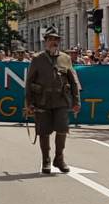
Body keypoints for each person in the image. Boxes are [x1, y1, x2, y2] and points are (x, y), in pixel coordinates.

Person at [24, 28, 81, 174]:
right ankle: (46, 160)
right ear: (45, 42)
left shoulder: (65, 58)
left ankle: (59, 159)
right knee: (44, 132)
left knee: (62, 129)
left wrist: (76, 101)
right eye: (50, 39)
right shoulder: (37, 59)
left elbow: (73, 81)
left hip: (61, 100)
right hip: (42, 100)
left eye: (56, 39)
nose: (53, 42)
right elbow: (29, 82)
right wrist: (29, 103)